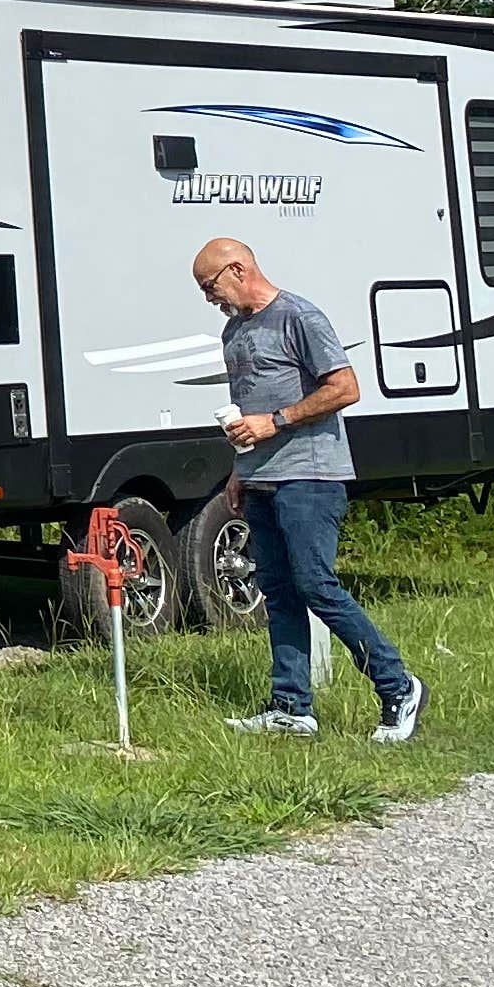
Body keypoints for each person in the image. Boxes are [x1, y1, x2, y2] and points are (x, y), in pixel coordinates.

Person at [193, 236, 421, 742]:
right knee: (277, 592)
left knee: (316, 585)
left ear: (237, 270)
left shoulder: (300, 317)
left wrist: (276, 422)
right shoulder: (234, 332)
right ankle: (292, 708)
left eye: (210, 287)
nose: (210, 299)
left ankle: (398, 685)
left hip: (311, 477)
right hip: (260, 479)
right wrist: (239, 469)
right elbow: (247, 409)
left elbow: (345, 388)